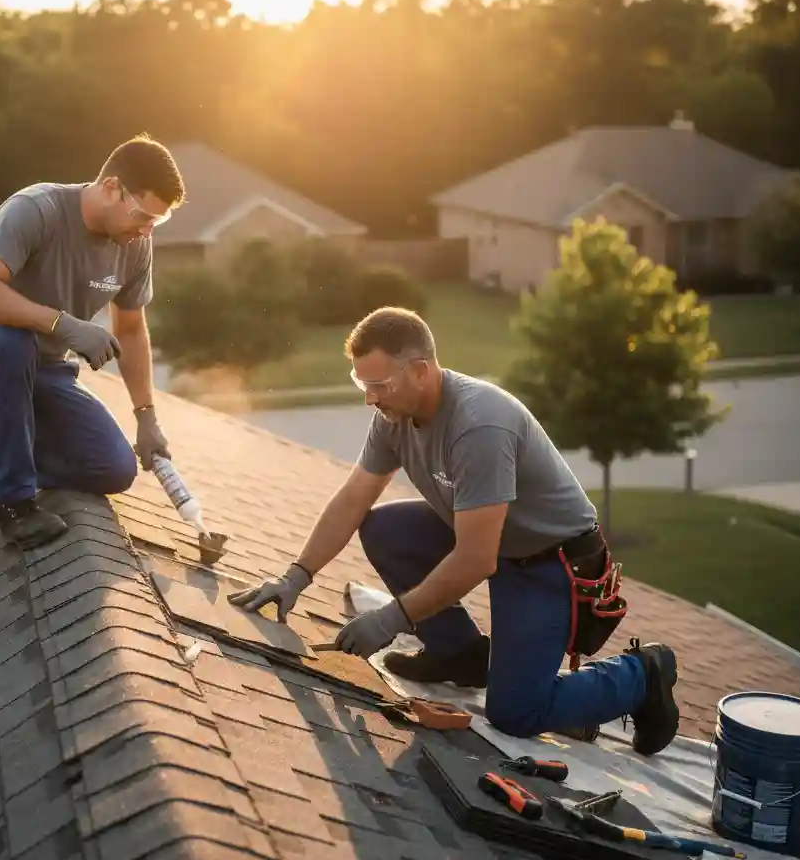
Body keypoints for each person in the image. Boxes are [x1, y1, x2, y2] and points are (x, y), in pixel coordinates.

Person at [229, 307, 680, 755]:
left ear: (421, 371)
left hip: (547, 561)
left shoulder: (479, 425)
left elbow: (475, 560)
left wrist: (391, 619)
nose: (370, 398)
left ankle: (642, 674)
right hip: (488, 535)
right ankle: (459, 655)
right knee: (386, 529)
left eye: (379, 385)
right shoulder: (392, 416)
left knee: (515, 713)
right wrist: (296, 577)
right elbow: (352, 500)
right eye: (361, 384)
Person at [0, 134, 185, 550]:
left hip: (44, 369)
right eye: (142, 215)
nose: (146, 230)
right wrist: (62, 324)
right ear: (110, 188)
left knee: (114, 469)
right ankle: (13, 501)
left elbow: (130, 329)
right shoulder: (35, 210)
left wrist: (146, 416)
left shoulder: (136, 245)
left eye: (157, 222)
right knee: (12, 343)